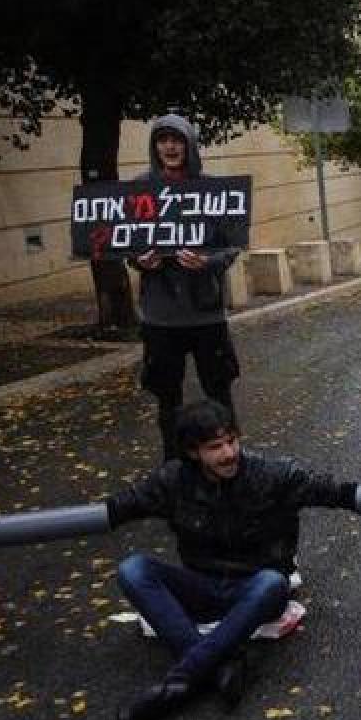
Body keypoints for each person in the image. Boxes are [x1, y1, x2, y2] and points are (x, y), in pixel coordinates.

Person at [107, 400, 359, 720]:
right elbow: (124, 504)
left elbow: (333, 491)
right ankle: (219, 667)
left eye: (232, 441)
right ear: (193, 452)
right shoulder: (173, 481)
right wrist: (91, 515)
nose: (229, 453)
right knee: (133, 569)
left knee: (273, 582)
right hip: (203, 587)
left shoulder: (272, 475)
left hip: (257, 589)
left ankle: (180, 682)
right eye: (215, 447)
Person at [129, 114, 241, 462]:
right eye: (163, 140)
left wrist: (208, 261)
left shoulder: (212, 189)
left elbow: (230, 243)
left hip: (205, 313)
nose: (170, 147)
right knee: (167, 398)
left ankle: (229, 459)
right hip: (161, 317)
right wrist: (139, 259)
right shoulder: (139, 189)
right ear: (155, 146)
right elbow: (127, 241)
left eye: (177, 140)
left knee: (219, 393)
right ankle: (174, 467)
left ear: (189, 145)